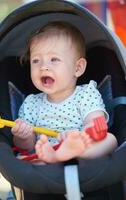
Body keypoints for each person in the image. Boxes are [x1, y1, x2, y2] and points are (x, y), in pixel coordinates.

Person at [11, 21, 117, 163]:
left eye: (54, 59)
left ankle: (72, 151)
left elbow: (95, 122)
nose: (43, 67)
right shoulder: (31, 103)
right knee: (22, 158)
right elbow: (28, 146)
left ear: (78, 68)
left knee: (111, 140)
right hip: (46, 152)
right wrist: (22, 136)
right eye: (36, 60)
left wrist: (78, 136)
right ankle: (55, 157)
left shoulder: (86, 94)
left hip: (83, 148)